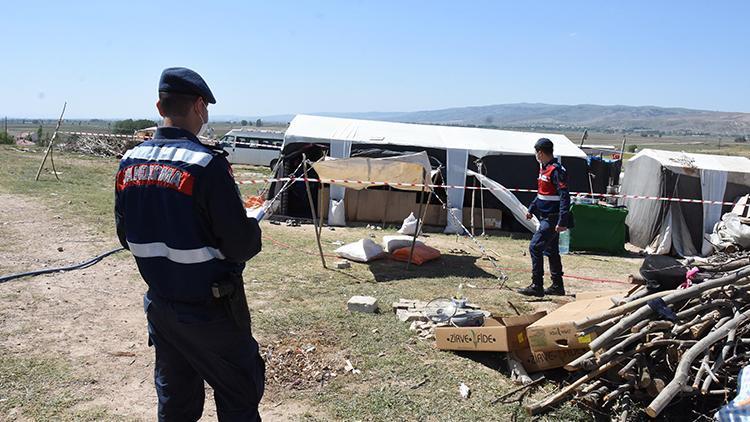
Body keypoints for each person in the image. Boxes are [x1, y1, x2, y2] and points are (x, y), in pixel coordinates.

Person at [115, 67, 265, 421]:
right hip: (211, 311)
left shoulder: (129, 162)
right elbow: (239, 245)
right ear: (200, 106)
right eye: (206, 109)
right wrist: (251, 226)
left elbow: (126, 236)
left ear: (159, 105)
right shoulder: (206, 164)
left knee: (176, 404)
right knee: (239, 397)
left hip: (162, 308)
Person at [517, 138, 573, 297]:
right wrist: (532, 208)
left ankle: (537, 285)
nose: (536, 155)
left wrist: (562, 221)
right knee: (551, 250)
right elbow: (542, 193)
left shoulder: (556, 170)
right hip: (544, 216)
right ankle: (557, 286)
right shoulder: (544, 169)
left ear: (540, 152)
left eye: (536, 152)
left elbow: (564, 196)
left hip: (553, 218)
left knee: (535, 247)